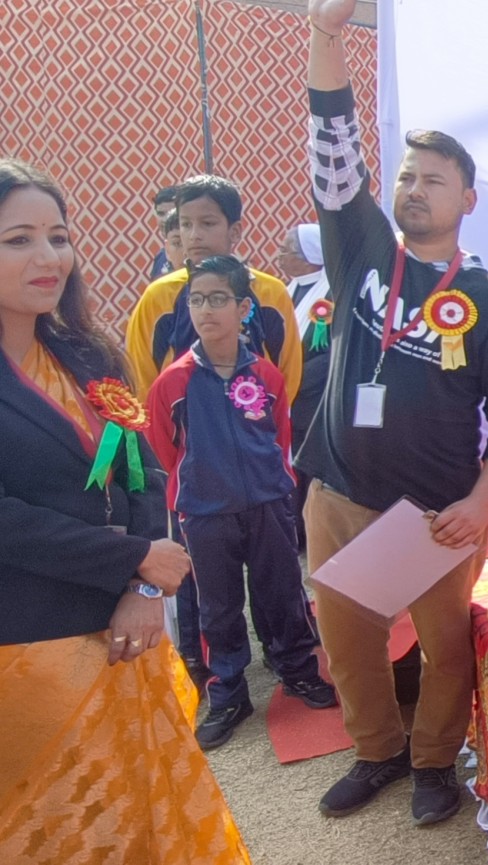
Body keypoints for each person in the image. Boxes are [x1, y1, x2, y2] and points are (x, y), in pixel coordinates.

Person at [305, 0, 488, 825]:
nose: (413, 188)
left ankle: (435, 759)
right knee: (349, 644)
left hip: (438, 516)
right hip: (337, 496)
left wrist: (480, 502)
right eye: (407, 176)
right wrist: (325, 36)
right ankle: (376, 750)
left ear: (467, 199)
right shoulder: (361, 251)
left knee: (446, 652)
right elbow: (334, 150)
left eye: (433, 179)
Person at [0, 159, 249, 863]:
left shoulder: (88, 354)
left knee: (142, 816)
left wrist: (144, 589)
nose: (48, 257)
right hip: (28, 643)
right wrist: (134, 558)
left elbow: (144, 467)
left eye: (57, 236)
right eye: (18, 240)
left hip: (125, 632)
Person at [143, 255, 334, 750]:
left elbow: (281, 435)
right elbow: (164, 447)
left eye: (218, 298)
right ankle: (227, 691)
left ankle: (297, 668)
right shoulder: (173, 383)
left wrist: (273, 486)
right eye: (197, 300)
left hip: (268, 502)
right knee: (217, 606)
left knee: (282, 590)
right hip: (205, 512)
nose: (206, 309)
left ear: (243, 307)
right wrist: (198, 487)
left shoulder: (267, 375)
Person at [125, 174, 302, 399]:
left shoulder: (269, 293)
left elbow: (288, 373)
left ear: (235, 231)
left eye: (207, 223)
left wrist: (262, 417)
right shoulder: (159, 296)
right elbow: (141, 377)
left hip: (255, 418)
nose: (194, 235)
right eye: (186, 224)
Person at [278, 223, 329, 547]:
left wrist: (293, 378)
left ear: (309, 257)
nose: (279, 255)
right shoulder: (288, 289)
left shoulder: (330, 295)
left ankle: (308, 532)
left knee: (309, 466)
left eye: (286, 250)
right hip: (285, 395)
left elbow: (329, 354)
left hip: (312, 400)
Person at [150, 185, 179, 279]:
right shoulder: (160, 256)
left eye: (171, 213)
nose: (165, 220)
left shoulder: (195, 255)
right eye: (161, 214)